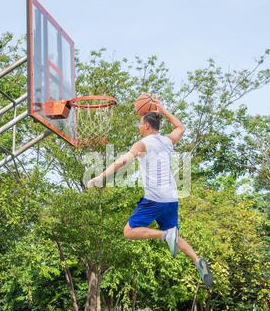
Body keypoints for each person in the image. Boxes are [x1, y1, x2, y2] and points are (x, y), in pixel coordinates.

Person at [87, 96, 213, 287]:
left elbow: (122, 161)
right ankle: (197, 261)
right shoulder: (167, 141)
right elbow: (181, 128)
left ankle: (164, 235)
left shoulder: (142, 144)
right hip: (171, 199)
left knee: (129, 232)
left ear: (146, 125)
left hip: (155, 200)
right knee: (175, 235)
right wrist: (163, 110)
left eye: (140, 123)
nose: (139, 127)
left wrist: (99, 178)